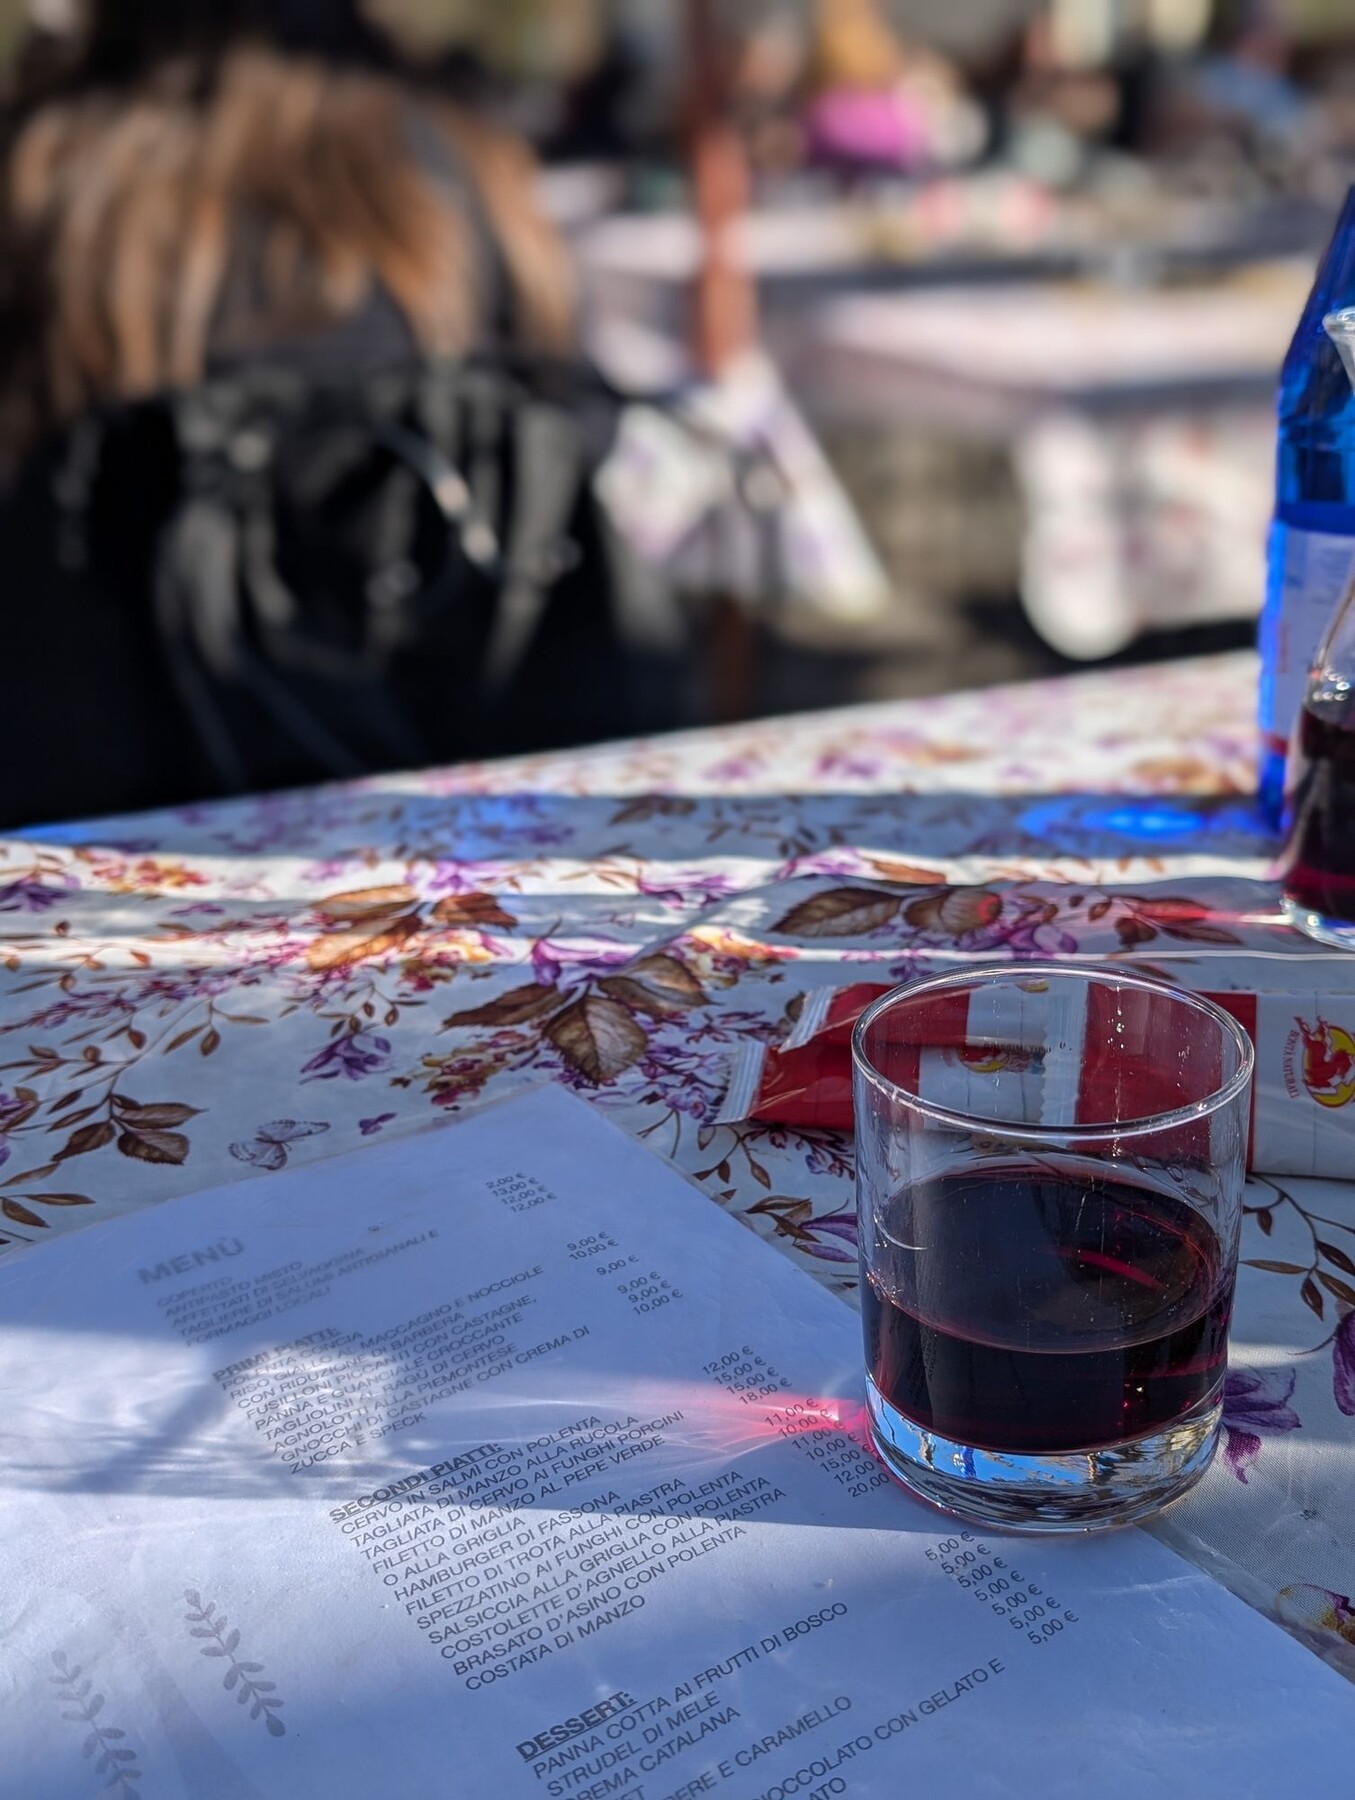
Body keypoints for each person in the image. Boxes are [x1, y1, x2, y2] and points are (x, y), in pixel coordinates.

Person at [0, 1, 684, 826]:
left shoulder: (53, 165)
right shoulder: (464, 161)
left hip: (108, 780)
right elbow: (556, 422)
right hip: (474, 767)